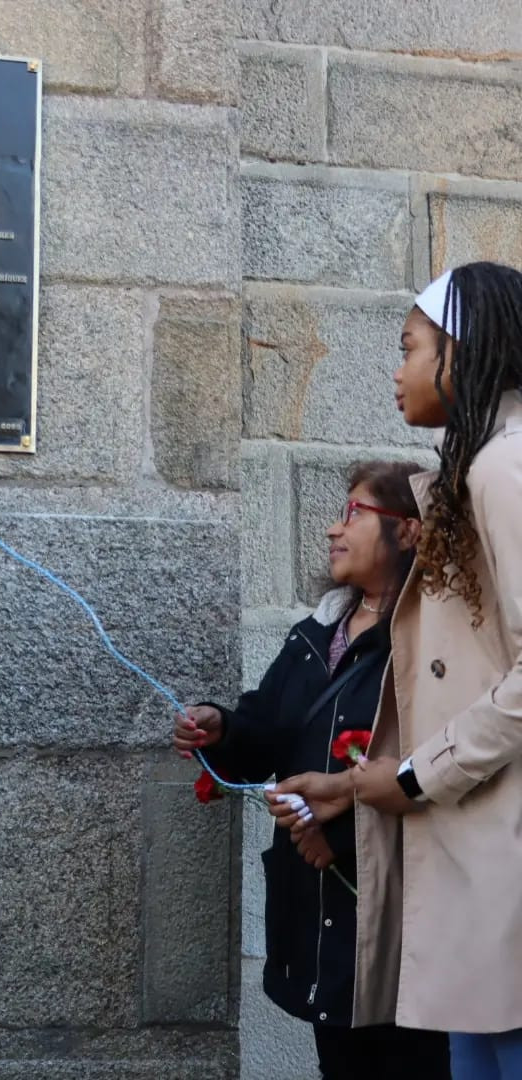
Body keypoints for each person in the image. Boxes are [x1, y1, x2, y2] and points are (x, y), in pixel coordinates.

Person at [274, 262, 522, 1079]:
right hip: (476, 879)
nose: (397, 367)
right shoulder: (475, 470)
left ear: (462, 351)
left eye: (409, 346)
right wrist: (351, 786)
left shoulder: (503, 469)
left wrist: (414, 777)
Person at [176, 461, 450, 1080]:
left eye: (354, 513)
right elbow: (264, 734)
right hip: (319, 910)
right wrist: (219, 728)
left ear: (407, 532)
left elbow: (445, 764)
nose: (333, 528)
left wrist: (351, 794)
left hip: (398, 907)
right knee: (342, 1062)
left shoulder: (434, 643)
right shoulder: (312, 636)